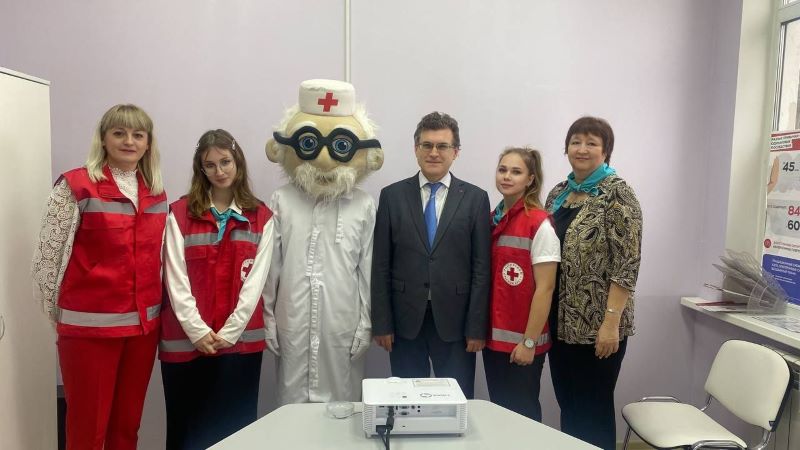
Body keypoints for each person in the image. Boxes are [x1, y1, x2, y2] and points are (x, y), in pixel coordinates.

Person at [31, 104, 166, 450]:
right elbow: (47, 259)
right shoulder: (75, 185)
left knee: (126, 428)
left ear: (148, 143)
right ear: (103, 139)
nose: (129, 141)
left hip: (142, 331)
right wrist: (58, 317)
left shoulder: (156, 192)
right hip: (89, 332)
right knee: (88, 431)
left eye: (137, 135)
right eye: (119, 133)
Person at [263, 79, 384, 405]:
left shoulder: (363, 204)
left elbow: (367, 268)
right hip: (293, 318)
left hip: (342, 321)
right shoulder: (282, 200)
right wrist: (268, 318)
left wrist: (366, 323)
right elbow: (271, 266)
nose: (325, 157)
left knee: (342, 406)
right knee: (292, 402)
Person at [159, 129, 275, 449]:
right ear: (201, 169)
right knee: (186, 431)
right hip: (185, 343)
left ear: (237, 162)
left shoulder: (262, 217)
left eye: (225, 162)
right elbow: (175, 278)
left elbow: (255, 282)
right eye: (210, 165)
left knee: (235, 433)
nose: (219, 171)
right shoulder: (179, 213)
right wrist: (197, 331)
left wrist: (231, 331)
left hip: (239, 345)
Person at [371, 111, 491, 398]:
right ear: (416, 149)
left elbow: (481, 268)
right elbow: (381, 265)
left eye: (442, 146)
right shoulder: (392, 196)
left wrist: (476, 327)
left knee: (457, 401)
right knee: (406, 402)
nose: (434, 153)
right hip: (404, 323)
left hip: (456, 323)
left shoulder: (475, 198)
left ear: (456, 152)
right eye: (427, 145)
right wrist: (382, 323)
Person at [545, 116, 642, 450]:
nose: (582, 149)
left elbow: (627, 264)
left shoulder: (618, 193)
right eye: (575, 142)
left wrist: (611, 323)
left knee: (594, 410)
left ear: (605, 151)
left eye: (591, 143)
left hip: (598, 327)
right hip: (560, 323)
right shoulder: (559, 193)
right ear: (566, 148)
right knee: (569, 405)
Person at [483, 147, 559, 421]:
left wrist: (528, 342)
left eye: (516, 172)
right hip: (494, 342)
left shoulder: (539, 224)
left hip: (523, 343)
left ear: (530, 179)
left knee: (523, 416)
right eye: (502, 170)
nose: (507, 176)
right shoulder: (492, 219)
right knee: (501, 413)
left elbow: (545, 288)